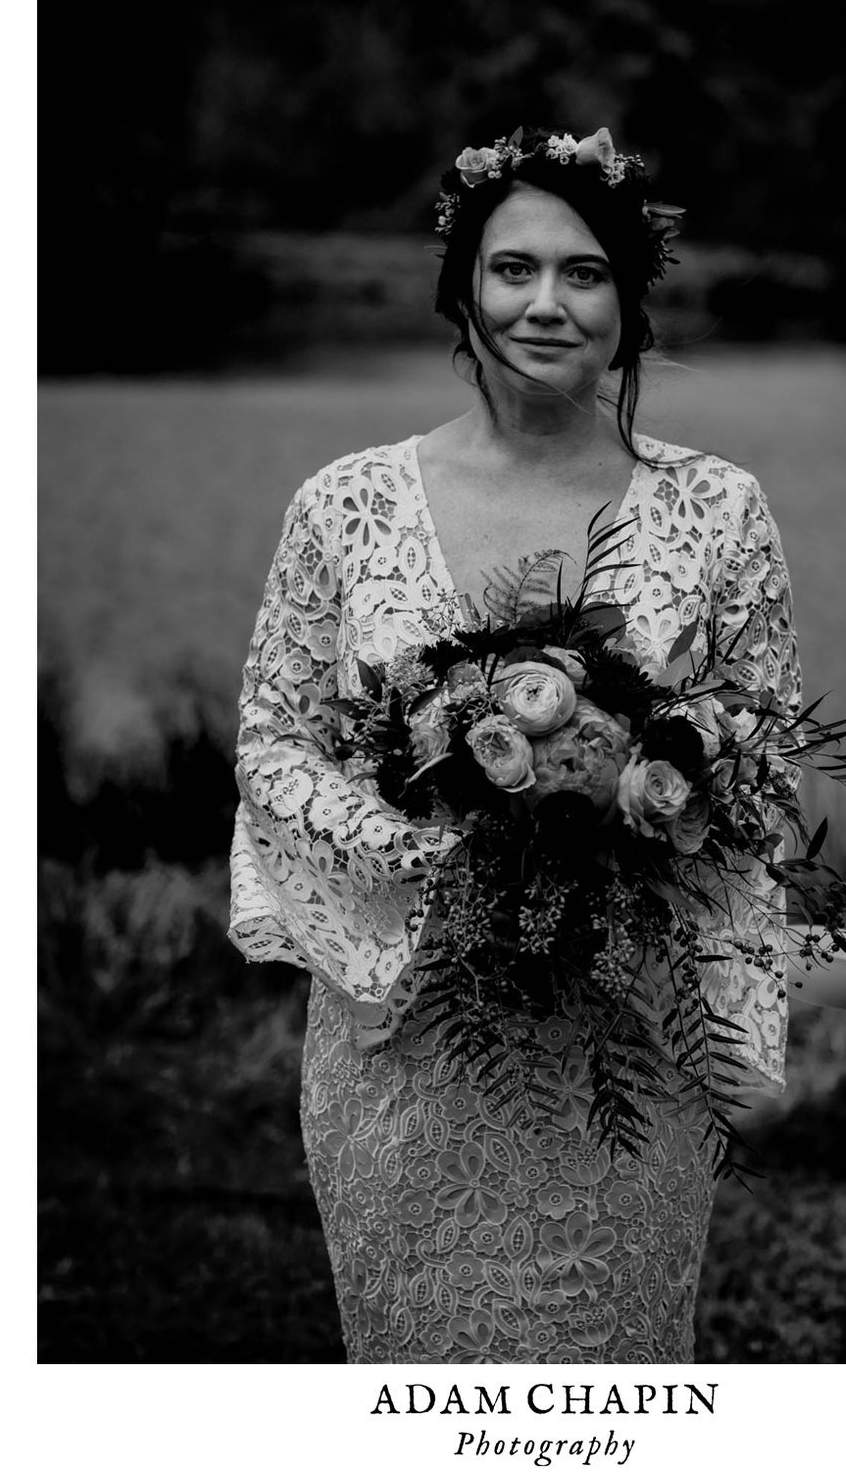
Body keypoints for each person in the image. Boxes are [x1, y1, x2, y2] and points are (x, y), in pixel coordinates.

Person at [225, 126, 802, 1363]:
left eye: (584, 272)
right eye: (514, 269)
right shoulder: (345, 503)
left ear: (629, 299)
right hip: (410, 1027)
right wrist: (435, 854)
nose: (547, 303)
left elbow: (764, 743)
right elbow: (275, 742)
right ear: (463, 290)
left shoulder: (720, 507)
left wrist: (646, 793)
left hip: (633, 1036)